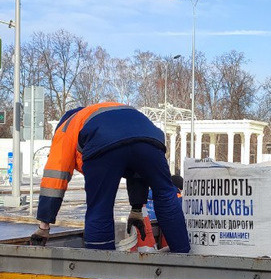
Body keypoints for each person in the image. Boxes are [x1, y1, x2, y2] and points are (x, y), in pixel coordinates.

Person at [30, 102, 190, 253]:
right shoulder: (106, 111)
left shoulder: (65, 128)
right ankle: (185, 259)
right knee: (166, 194)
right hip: (150, 137)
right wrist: (136, 208)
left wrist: (44, 226)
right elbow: (136, 164)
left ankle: (102, 269)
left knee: (100, 206)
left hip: (103, 139)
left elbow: (54, 179)